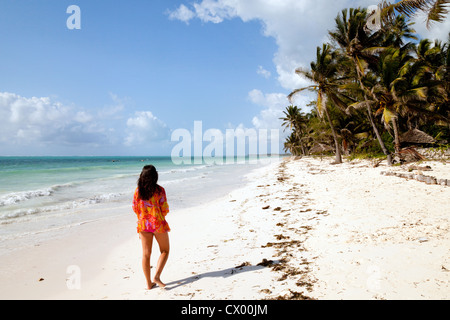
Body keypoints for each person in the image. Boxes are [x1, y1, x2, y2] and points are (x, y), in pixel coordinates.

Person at [132, 165, 170, 289]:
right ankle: (157, 276)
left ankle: (148, 283)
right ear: (155, 177)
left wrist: (144, 217)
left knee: (146, 254)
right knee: (165, 250)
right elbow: (164, 209)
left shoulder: (138, 191)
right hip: (157, 223)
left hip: (143, 224)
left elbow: (135, 208)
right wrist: (157, 215)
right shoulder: (160, 190)